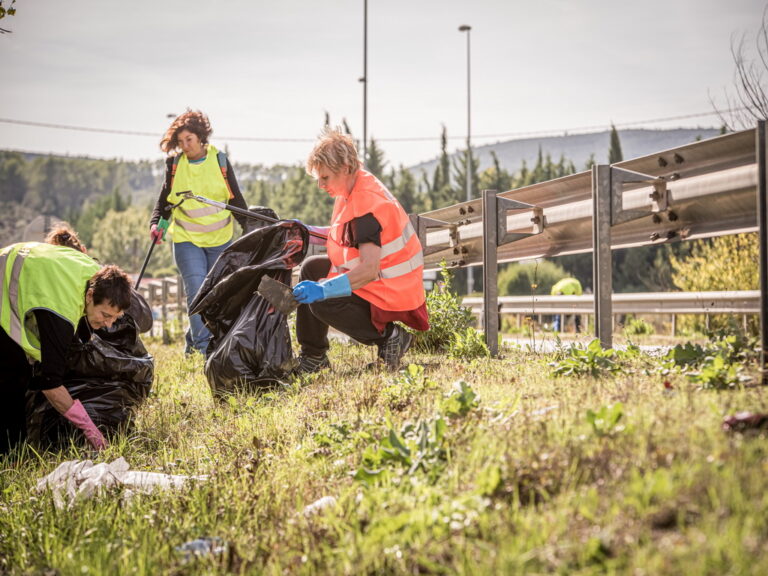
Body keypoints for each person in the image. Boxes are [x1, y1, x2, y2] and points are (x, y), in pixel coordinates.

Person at [292, 127, 429, 373]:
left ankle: (391, 338)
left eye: (325, 178)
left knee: (323, 301)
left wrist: (324, 290)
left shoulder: (366, 204)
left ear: (345, 168)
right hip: (382, 282)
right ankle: (314, 358)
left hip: (391, 290)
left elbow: (368, 269)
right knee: (313, 268)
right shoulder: (352, 188)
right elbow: (346, 237)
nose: (320, 186)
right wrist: (305, 232)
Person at [0, 242, 133, 455]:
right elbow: (51, 385)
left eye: (115, 318)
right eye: (105, 316)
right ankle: (12, 455)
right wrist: (91, 431)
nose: (108, 324)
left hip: (22, 268)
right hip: (4, 282)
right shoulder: (60, 311)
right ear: (90, 296)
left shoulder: (98, 276)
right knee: (14, 376)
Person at [149, 109, 249, 355]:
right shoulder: (174, 165)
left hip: (219, 240)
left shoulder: (219, 161)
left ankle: (193, 343)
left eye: (189, 140)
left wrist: (250, 228)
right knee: (196, 291)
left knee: (214, 294)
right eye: (180, 142)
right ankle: (205, 352)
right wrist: (156, 224)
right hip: (186, 239)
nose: (184, 146)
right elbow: (164, 202)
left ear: (201, 137)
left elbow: (235, 199)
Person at [45, 224, 153, 333]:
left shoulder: (104, 281)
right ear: (83, 250)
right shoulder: (103, 276)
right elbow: (146, 319)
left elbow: (144, 320)